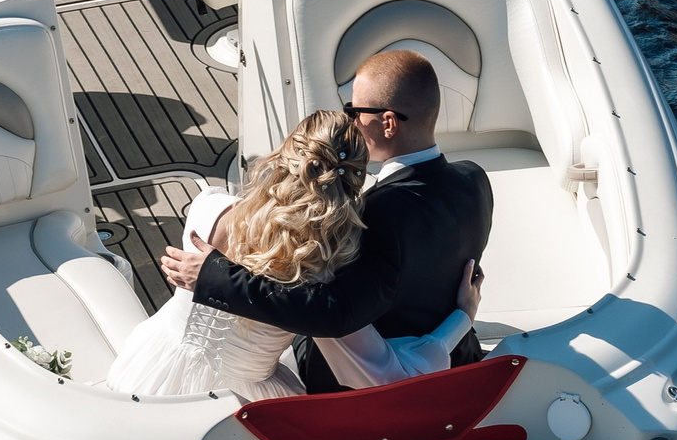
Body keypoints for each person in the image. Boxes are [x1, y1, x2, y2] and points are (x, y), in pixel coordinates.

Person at [161, 49, 494, 394]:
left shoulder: (373, 217)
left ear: (389, 123)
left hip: (371, 385)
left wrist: (217, 278)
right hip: (458, 357)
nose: (351, 121)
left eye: (355, 111)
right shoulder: (474, 179)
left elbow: (334, 312)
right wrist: (463, 317)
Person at [106, 111, 481, 401]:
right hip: (246, 400)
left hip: (155, 362)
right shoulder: (323, 276)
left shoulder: (209, 210)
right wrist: (461, 318)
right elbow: (389, 376)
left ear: (286, 156)